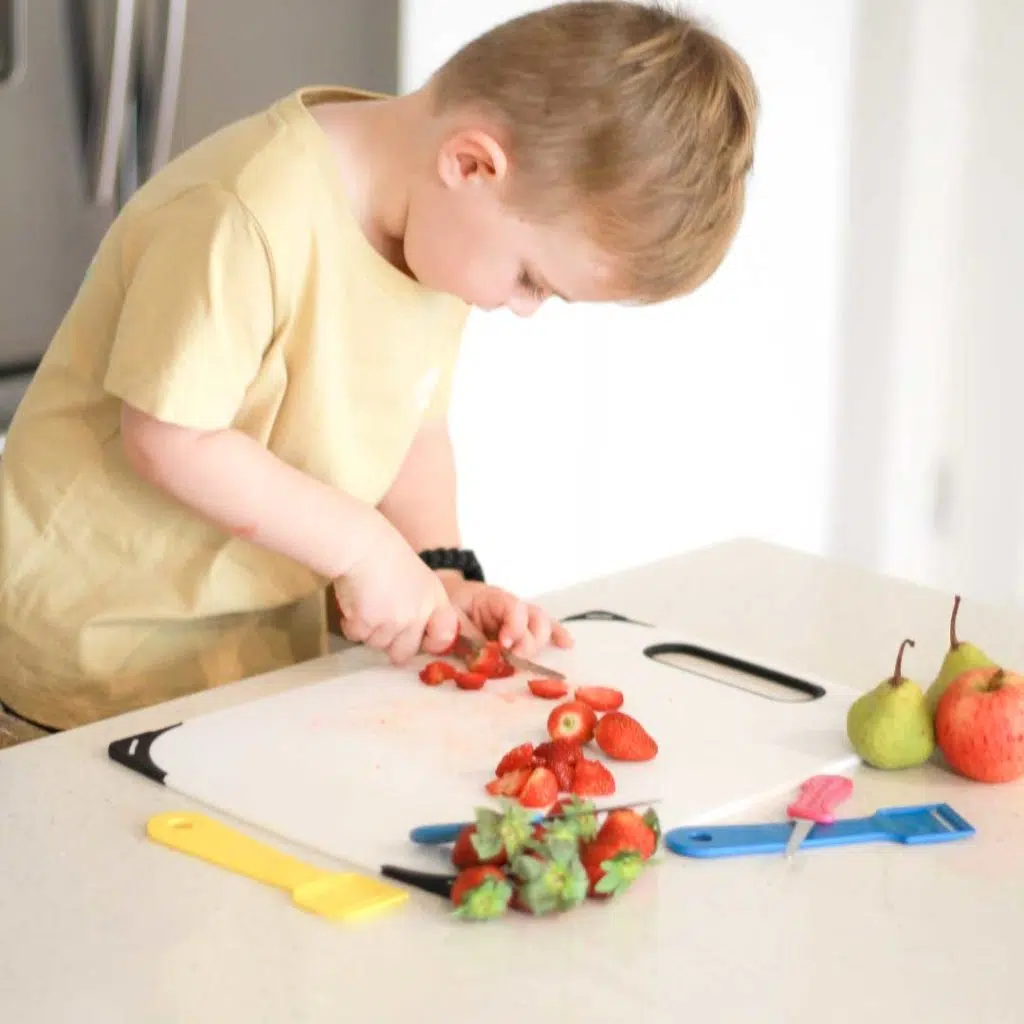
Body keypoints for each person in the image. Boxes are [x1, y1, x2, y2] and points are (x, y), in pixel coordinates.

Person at [0, 1, 758, 736]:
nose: (523, 308)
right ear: (471, 163)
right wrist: (364, 549)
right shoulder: (246, 211)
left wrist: (442, 573)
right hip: (84, 661)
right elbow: (171, 437)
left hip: (235, 666)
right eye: (532, 280)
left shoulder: (435, 238)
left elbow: (414, 428)